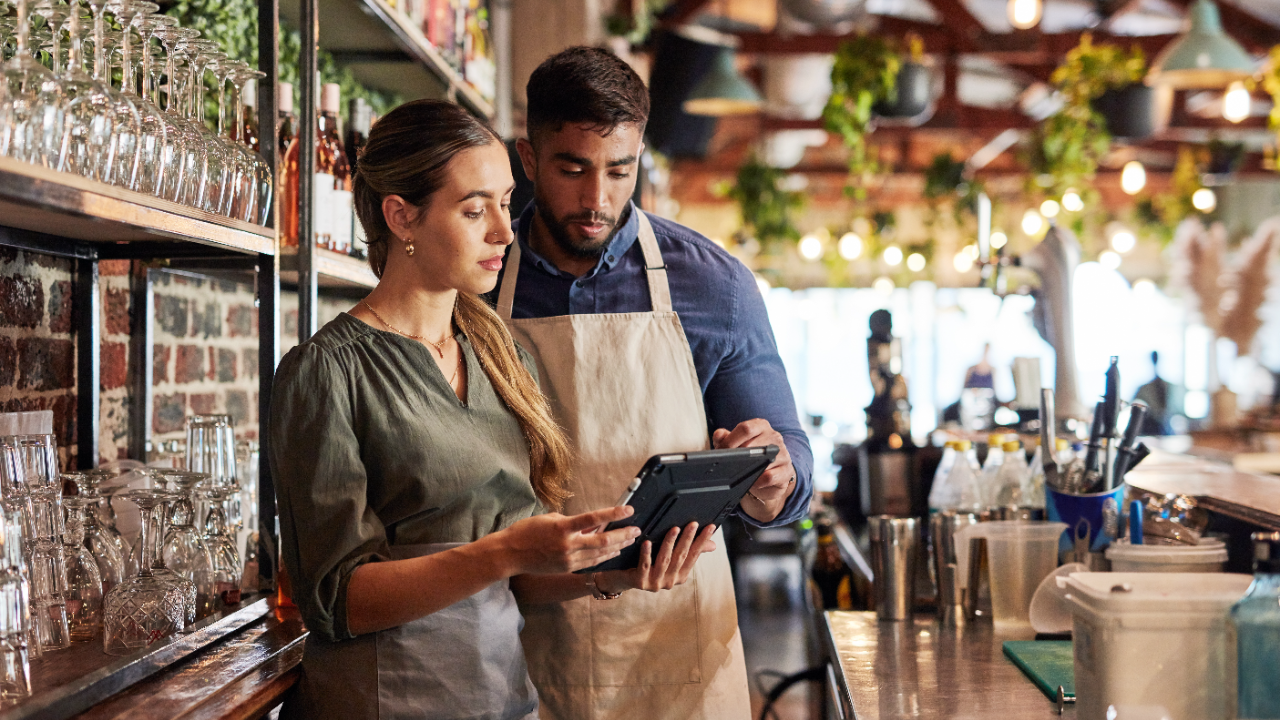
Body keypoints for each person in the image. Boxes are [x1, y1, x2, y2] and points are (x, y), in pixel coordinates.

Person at [269, 100, 717, 720]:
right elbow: (336, 599)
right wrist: (504, 553)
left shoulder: (498, 352)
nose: (505, 232)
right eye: (474, 209)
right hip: (383, 703)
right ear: (402, 216)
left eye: (507, 203)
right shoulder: (326, 372)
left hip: (499, 697)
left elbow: (520, 570)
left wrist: (610, 571)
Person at [494, 47, 814, 719]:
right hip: (517, 641)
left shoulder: (714, 285)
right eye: (572, 168)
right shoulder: (480, 280)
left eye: (619, 169)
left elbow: (788, 470)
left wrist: (774, 478)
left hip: (679, 648)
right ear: (528, 160)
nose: (597, 199)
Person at [1134, 351, 1182, 435]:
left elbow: (1176, 408)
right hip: (1149, 428)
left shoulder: (1169, 386)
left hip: (1167, 427)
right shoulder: (1144, 388)